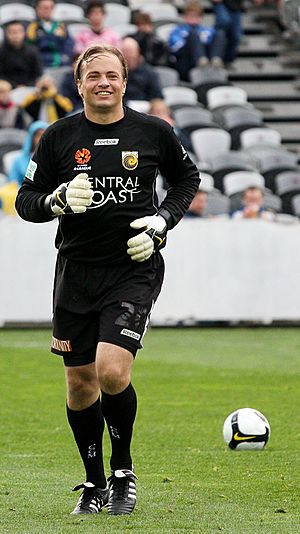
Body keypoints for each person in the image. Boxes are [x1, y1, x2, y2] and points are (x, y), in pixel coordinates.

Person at [15, 44, 200, 516]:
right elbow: (26, 201)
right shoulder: (58, 138)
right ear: (78, 84)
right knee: (80, 384)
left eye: (112, 75)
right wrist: (55, 200)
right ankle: (95, 484)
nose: (103, 82)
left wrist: (162, 222)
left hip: (132, 269)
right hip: (75, 273)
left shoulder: (153, 132)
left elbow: (187, 179)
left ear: (123, 81)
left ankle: (123, 472)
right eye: (92, 75)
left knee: (112, 371)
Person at [168, 0, 226, 81]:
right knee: (193, 34)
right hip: (185, 62)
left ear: (201, 18)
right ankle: (200, 60)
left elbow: (214, 43)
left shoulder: (207, 30)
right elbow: (176, 49)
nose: (193, 19)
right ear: (185, 17)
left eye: (196, 16)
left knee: (220, 33)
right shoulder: (177, 30)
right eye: (190, 16)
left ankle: (215, 60)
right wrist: (193, 42)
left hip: (207, 58)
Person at [212, 0, 263, 66]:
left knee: (236, 36)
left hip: (235, 7)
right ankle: (215, 57)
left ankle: (227, 61)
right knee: (223, 23)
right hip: (221, 4)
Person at [26, 0, 74, 68]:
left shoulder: (60, 26)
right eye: (44, 7)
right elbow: (29, 48)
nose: (47, 10)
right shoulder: (31, 27)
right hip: (41, 65)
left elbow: (68, 44)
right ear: (37, 9)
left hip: (62, 64)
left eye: (51, 7)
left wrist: (66, 57)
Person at [0, 21, 43, 88]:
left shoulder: (32, 51)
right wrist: (15, 86)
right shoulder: (1, 52)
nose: (15, 35)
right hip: (7, 89)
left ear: (24, 33)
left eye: (19, 32)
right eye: (12, 32)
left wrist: (27, 86)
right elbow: (1, 75)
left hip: (31, 88)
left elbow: (38, 74)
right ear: (6, 34)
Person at [122, 37, 163, 103]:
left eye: (130, 51)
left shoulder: (149, 71)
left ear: (138, 51)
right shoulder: (118, 72)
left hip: (145, 106)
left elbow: (157, 95)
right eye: (125, 51)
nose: (128, 55)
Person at [7, 120, 48, 187]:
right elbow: (13, 184)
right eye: (38, 135)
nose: (41, 138)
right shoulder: (18, 161)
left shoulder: (52, 159)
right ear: (31, 137)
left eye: (44, 135)